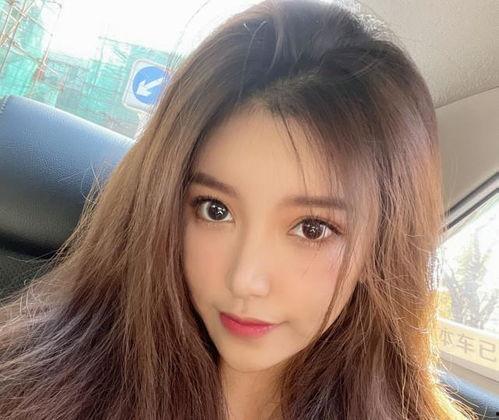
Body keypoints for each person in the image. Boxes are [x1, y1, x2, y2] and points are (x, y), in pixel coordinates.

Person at [0, 0, 478, 419]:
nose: (245, 279)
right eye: (214, 210)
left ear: (382, 243)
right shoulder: (37, 391)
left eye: (312, 228)